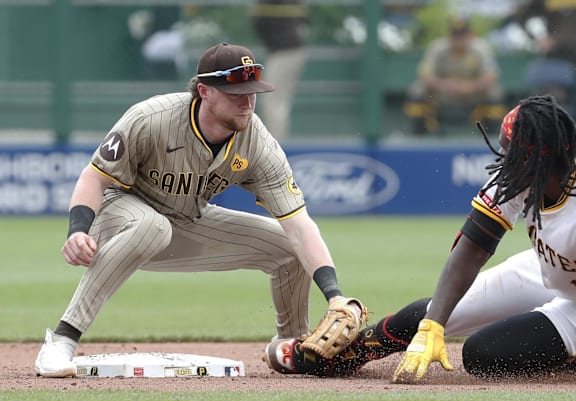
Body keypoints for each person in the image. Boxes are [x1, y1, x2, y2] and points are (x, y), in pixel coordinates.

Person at [263, 95, 576, 389]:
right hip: (555, 271)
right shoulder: (527, 177)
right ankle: (341, 357)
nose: (502, 160)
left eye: (509, 152)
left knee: (486, 356)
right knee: (423, 313)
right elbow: (472, 249)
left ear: (538, 158)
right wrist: (434, 325)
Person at [34, 42, 365, 378]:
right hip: (117, 215)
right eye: (236, 93)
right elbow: (93, 178)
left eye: (252, 92)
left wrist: (335, 296)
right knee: (153, 227)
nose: (247, 101)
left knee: (288, 248)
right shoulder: (153, 118)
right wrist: (77, 230)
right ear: (204, 91)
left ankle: (292, 347)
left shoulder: (258, 143)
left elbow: (300, 226)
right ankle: (62, 340)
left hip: (183, 220)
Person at [512, 0, 576, 133]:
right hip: (554, 54)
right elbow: (521, 15)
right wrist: (537, 38)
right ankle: (550, 134)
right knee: (552, 95)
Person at [404, 17, 505, 136]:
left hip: (473, 98)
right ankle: (418, 135)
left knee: (495, 92)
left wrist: (468, 87)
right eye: (455, 35)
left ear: (470, 35)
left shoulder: (481, 48)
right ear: (449, 35)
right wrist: (445, 85)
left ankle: (492, 136)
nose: (458, 39)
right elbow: (424, 75)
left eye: (462, 35)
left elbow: (491, 76)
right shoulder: (438, 48)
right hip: (442, 98)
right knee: (417, 90)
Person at [252, 0, 309, 141]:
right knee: (278, 99)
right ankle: (278, 141)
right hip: (286, 50)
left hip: (286, 50)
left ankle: (277, 143)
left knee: (272, 98)